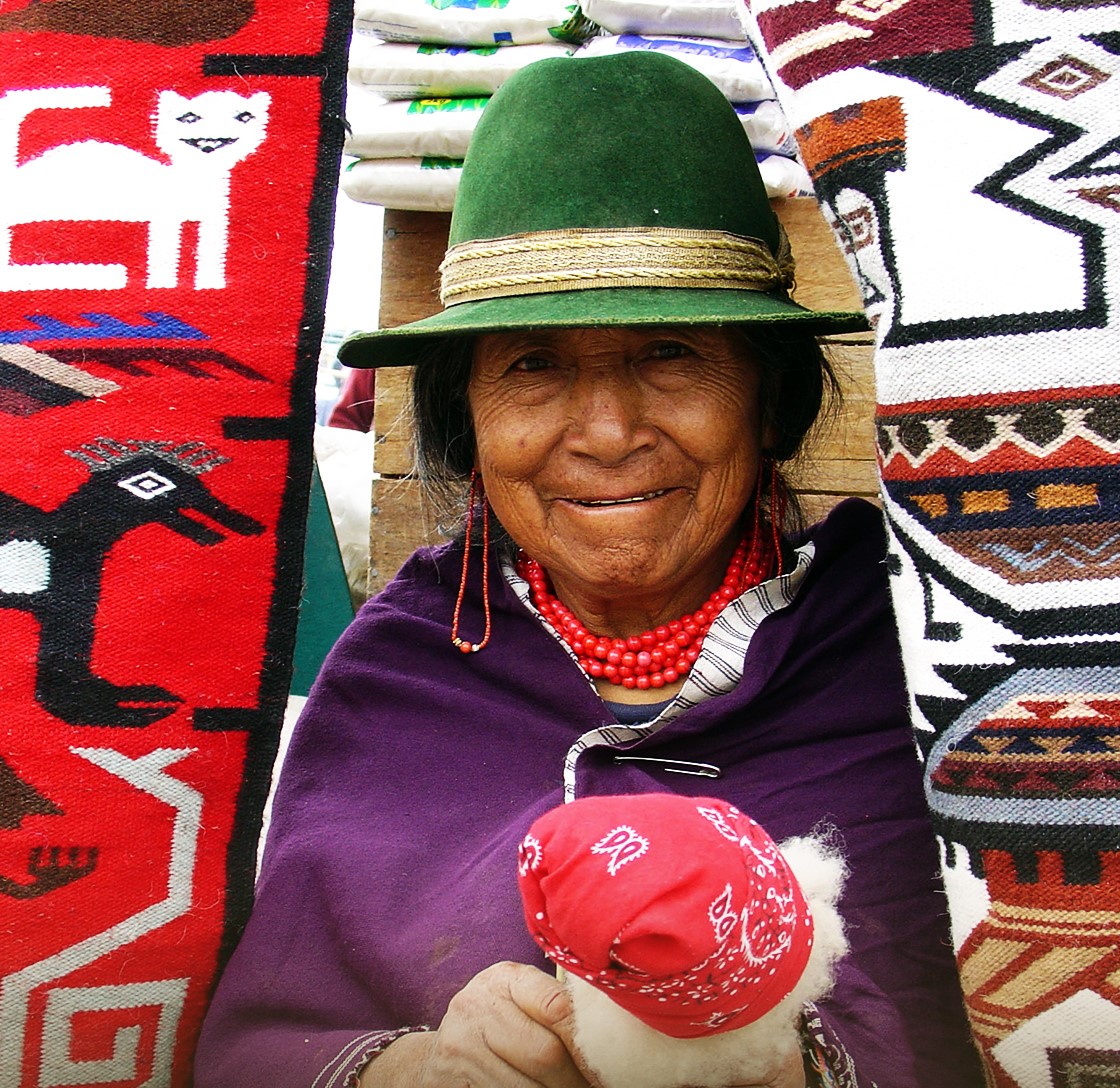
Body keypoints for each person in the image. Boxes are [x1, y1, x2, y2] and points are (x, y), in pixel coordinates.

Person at [193, 50, 986, 1088]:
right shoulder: (396, 676)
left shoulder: (907, 652)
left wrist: (784, 1064)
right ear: (469, 422)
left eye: (670, 354)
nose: (609, 433)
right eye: (534, 364)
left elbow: (979, 1023)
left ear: (770, 400)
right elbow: (257, 1047)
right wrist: (413, 1068)